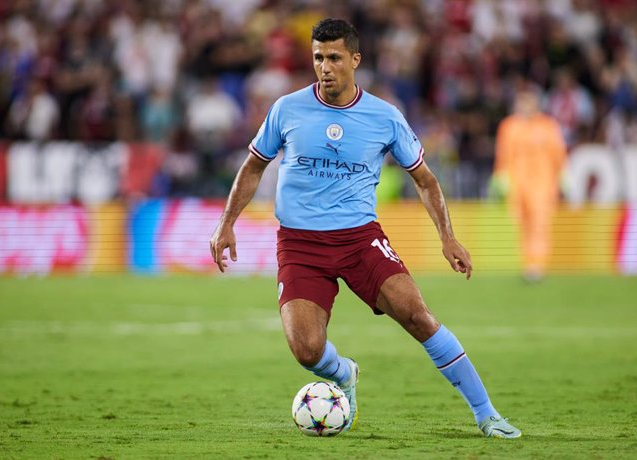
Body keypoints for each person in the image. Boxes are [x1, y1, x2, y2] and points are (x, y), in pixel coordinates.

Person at [210, 18, 521, 439]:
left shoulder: (384, 117)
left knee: (419, 317)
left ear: (355, 60)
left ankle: (487, 415)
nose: (325, 66)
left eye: (334, 57)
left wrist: (447, 237)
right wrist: (227, 222)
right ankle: (344, 372)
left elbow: (425, 179)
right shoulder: (287, 108)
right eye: (318, 57)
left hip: (360, 240)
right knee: (306, 350)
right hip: (300, 244)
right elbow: (253, 166)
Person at [494, 84, 568, 282]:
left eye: (528, 101)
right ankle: (528, 263)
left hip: (543, 184)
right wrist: (501, 177)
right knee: (523, 225)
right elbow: (503, 154)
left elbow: (558, 154)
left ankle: (537, 265)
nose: (524, 105)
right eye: (521, 101)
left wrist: (562, 176)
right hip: (518, 184)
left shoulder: (548, 126)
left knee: (539, 224)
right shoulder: (509, 126)